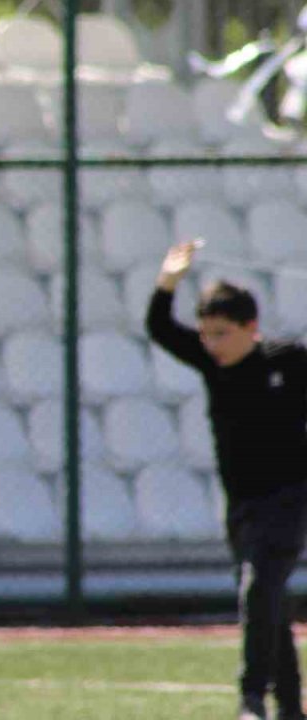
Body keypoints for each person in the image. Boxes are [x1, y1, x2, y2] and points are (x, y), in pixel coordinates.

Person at [147, 240, 307, 720]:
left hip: (289, 499)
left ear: (250, 327)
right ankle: (290, 707)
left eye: (221, 333)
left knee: (258, 590)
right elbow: (158, 327)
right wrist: (169, 279)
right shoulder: (212, 365)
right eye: (206, 334)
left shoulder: (289, 360)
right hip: (241, 505)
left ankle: (251, 698)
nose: (212, 344)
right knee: (269, 605)